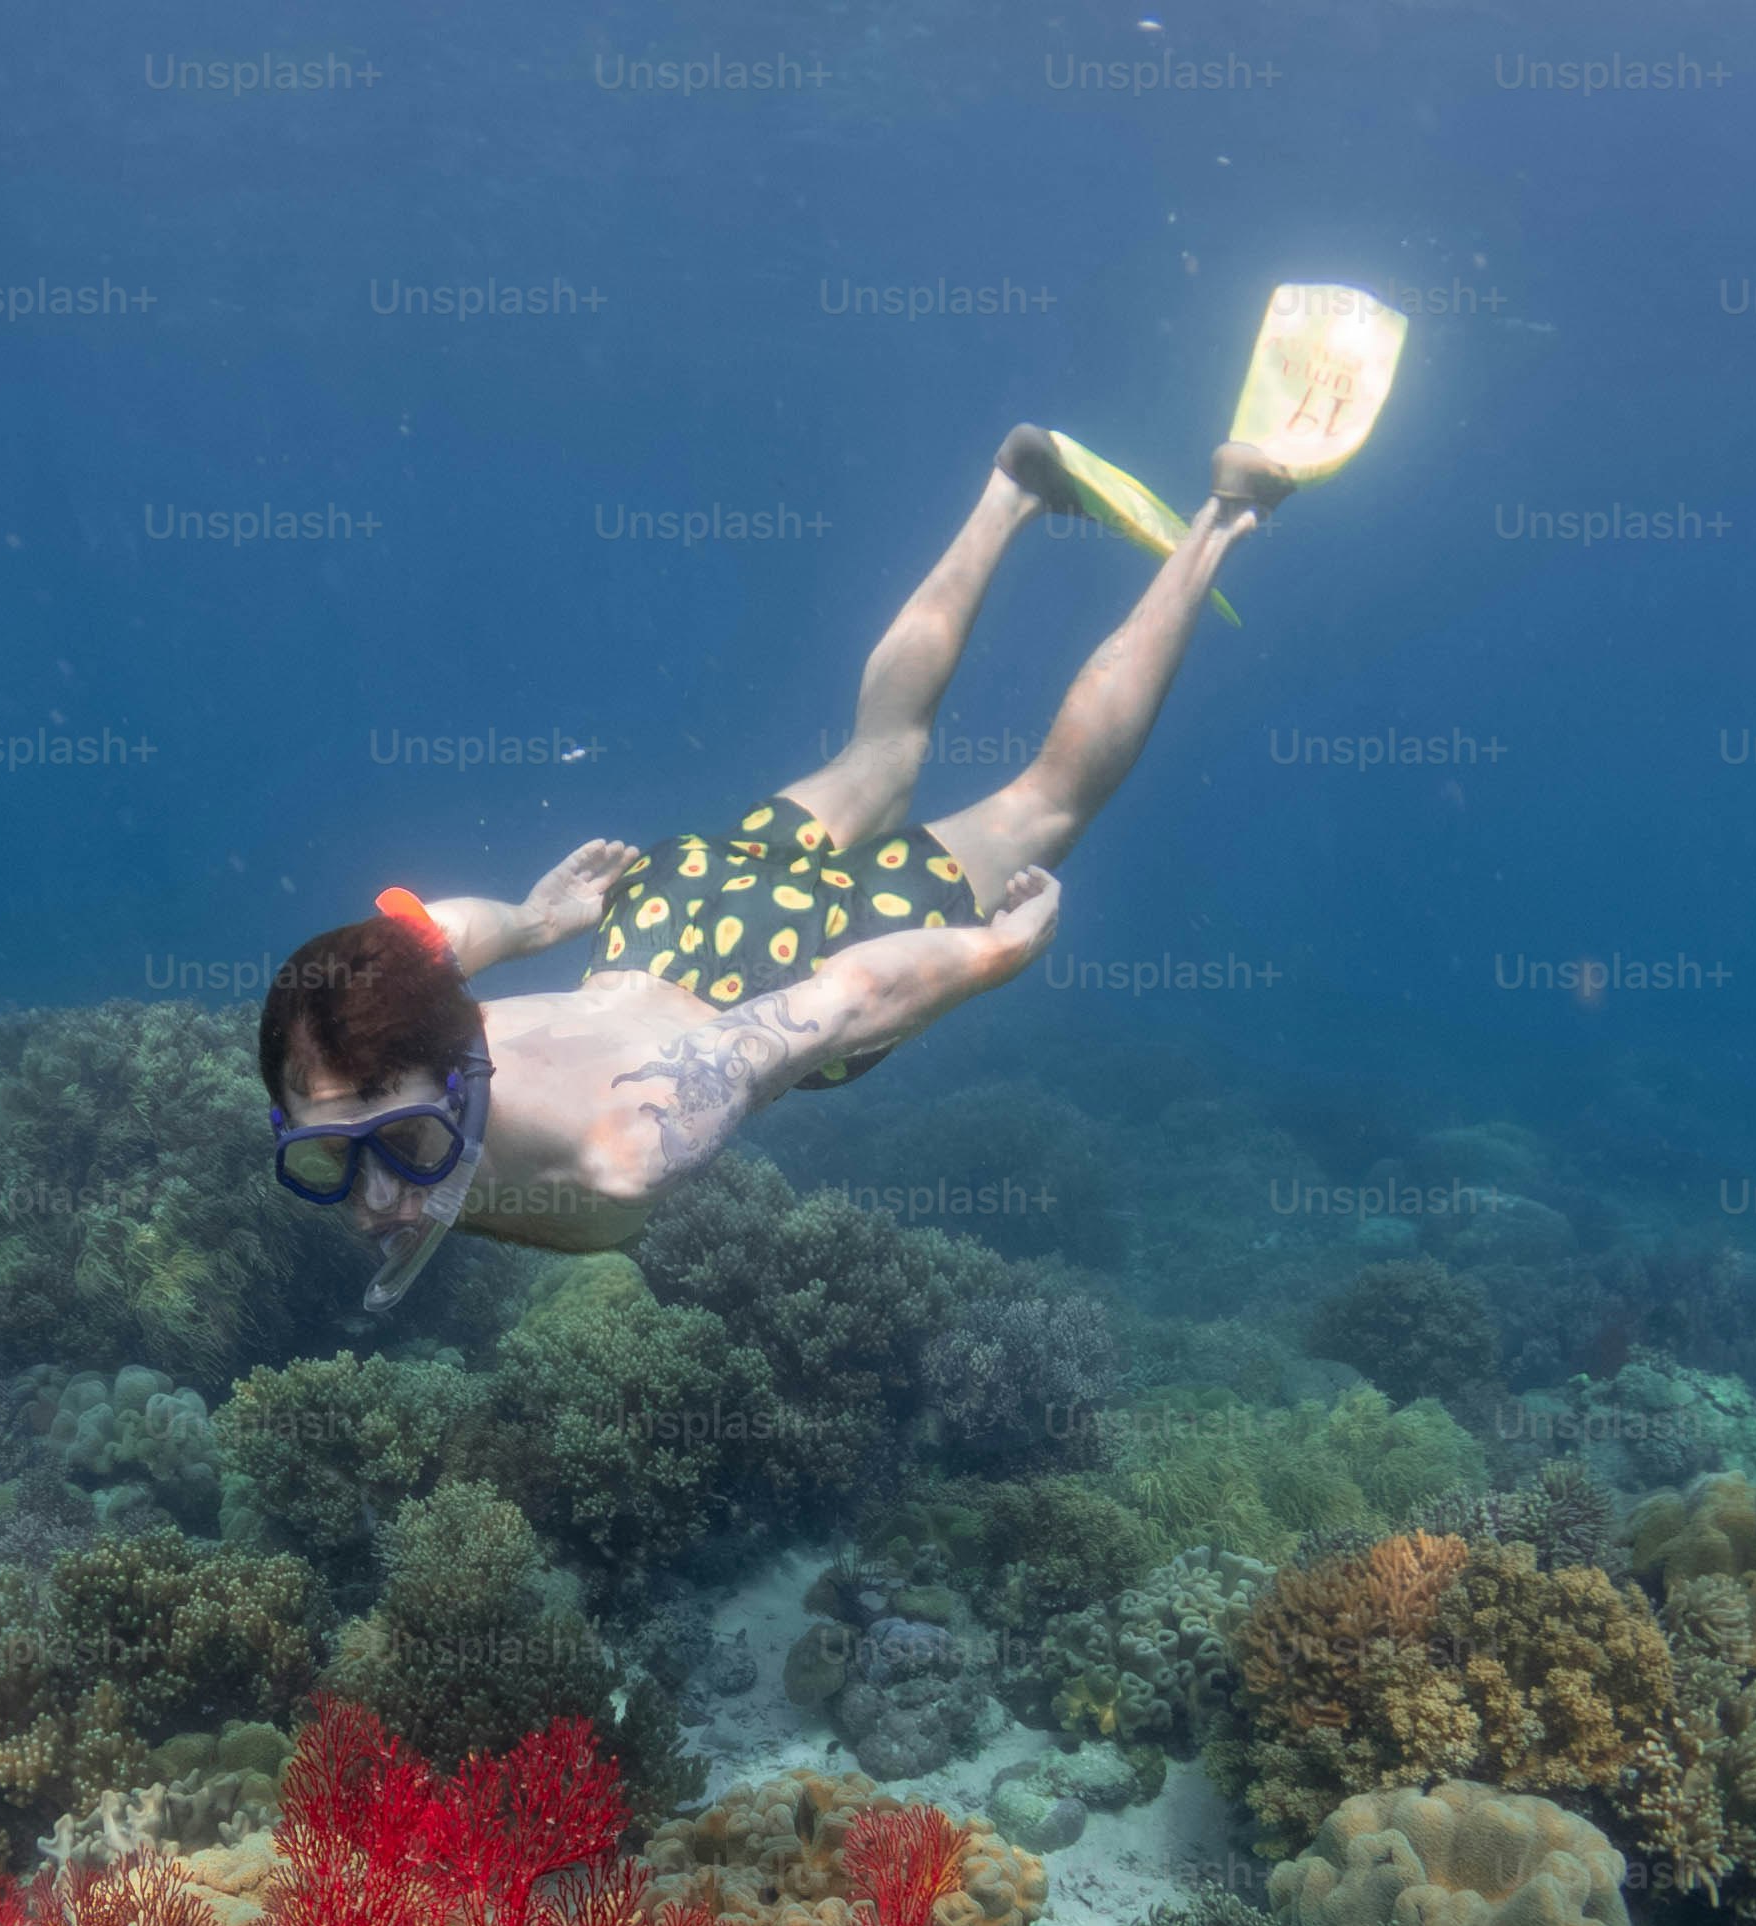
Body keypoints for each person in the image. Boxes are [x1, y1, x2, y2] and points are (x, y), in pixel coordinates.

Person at [262, 285, 1406, 1311]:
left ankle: (1227, 511)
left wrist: (988, 958)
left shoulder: (628, 1143)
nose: (369, 1200)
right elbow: (425, 938)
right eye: (327, 1159)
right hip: (663, 906)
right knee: (878, 753)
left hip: (778, 957)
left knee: (1047, 798)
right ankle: (1011, 486)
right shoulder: (370, 1035)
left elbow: (842, 1001)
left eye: (404, 1144)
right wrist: (529, 920)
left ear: (460, 1078)